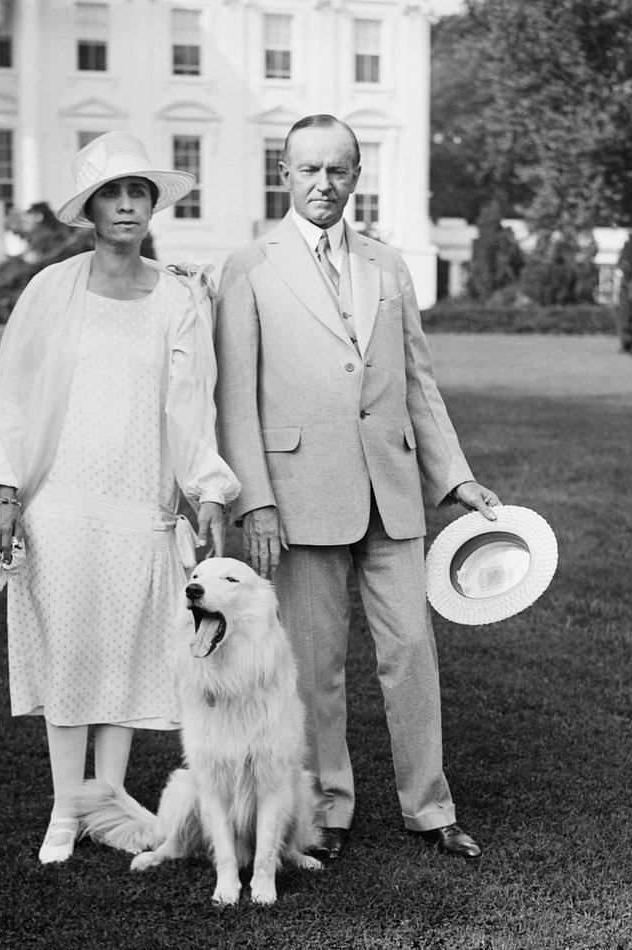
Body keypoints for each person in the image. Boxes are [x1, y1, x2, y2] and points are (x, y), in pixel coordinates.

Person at [214, 115, 499, 862]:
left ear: (356, 176)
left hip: (395, 488)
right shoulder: (247, 268)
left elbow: (418, 385)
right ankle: (327, 809)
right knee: (315, 665)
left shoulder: (387, 265)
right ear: (284, 175)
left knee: (410, 650)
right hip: (298, 492)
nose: (323, 184)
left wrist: (457, 477)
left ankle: (431, 808)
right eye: (309, 170)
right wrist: (257, 500)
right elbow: (234, 400)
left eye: (338, 170)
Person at [0, 132, 239, 864]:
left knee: (124, 659)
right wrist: (7, 491)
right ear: (89, 209)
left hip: (139, 503)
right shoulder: (51, 289)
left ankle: (108, 806)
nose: (126, 206)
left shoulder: (179, 294)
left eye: (138, 193)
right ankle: (65, 809)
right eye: (112, 194)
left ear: (153, 205)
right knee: (69, 658)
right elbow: (16, 398)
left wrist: (206, 490)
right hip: (61, 501)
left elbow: (193, 406)